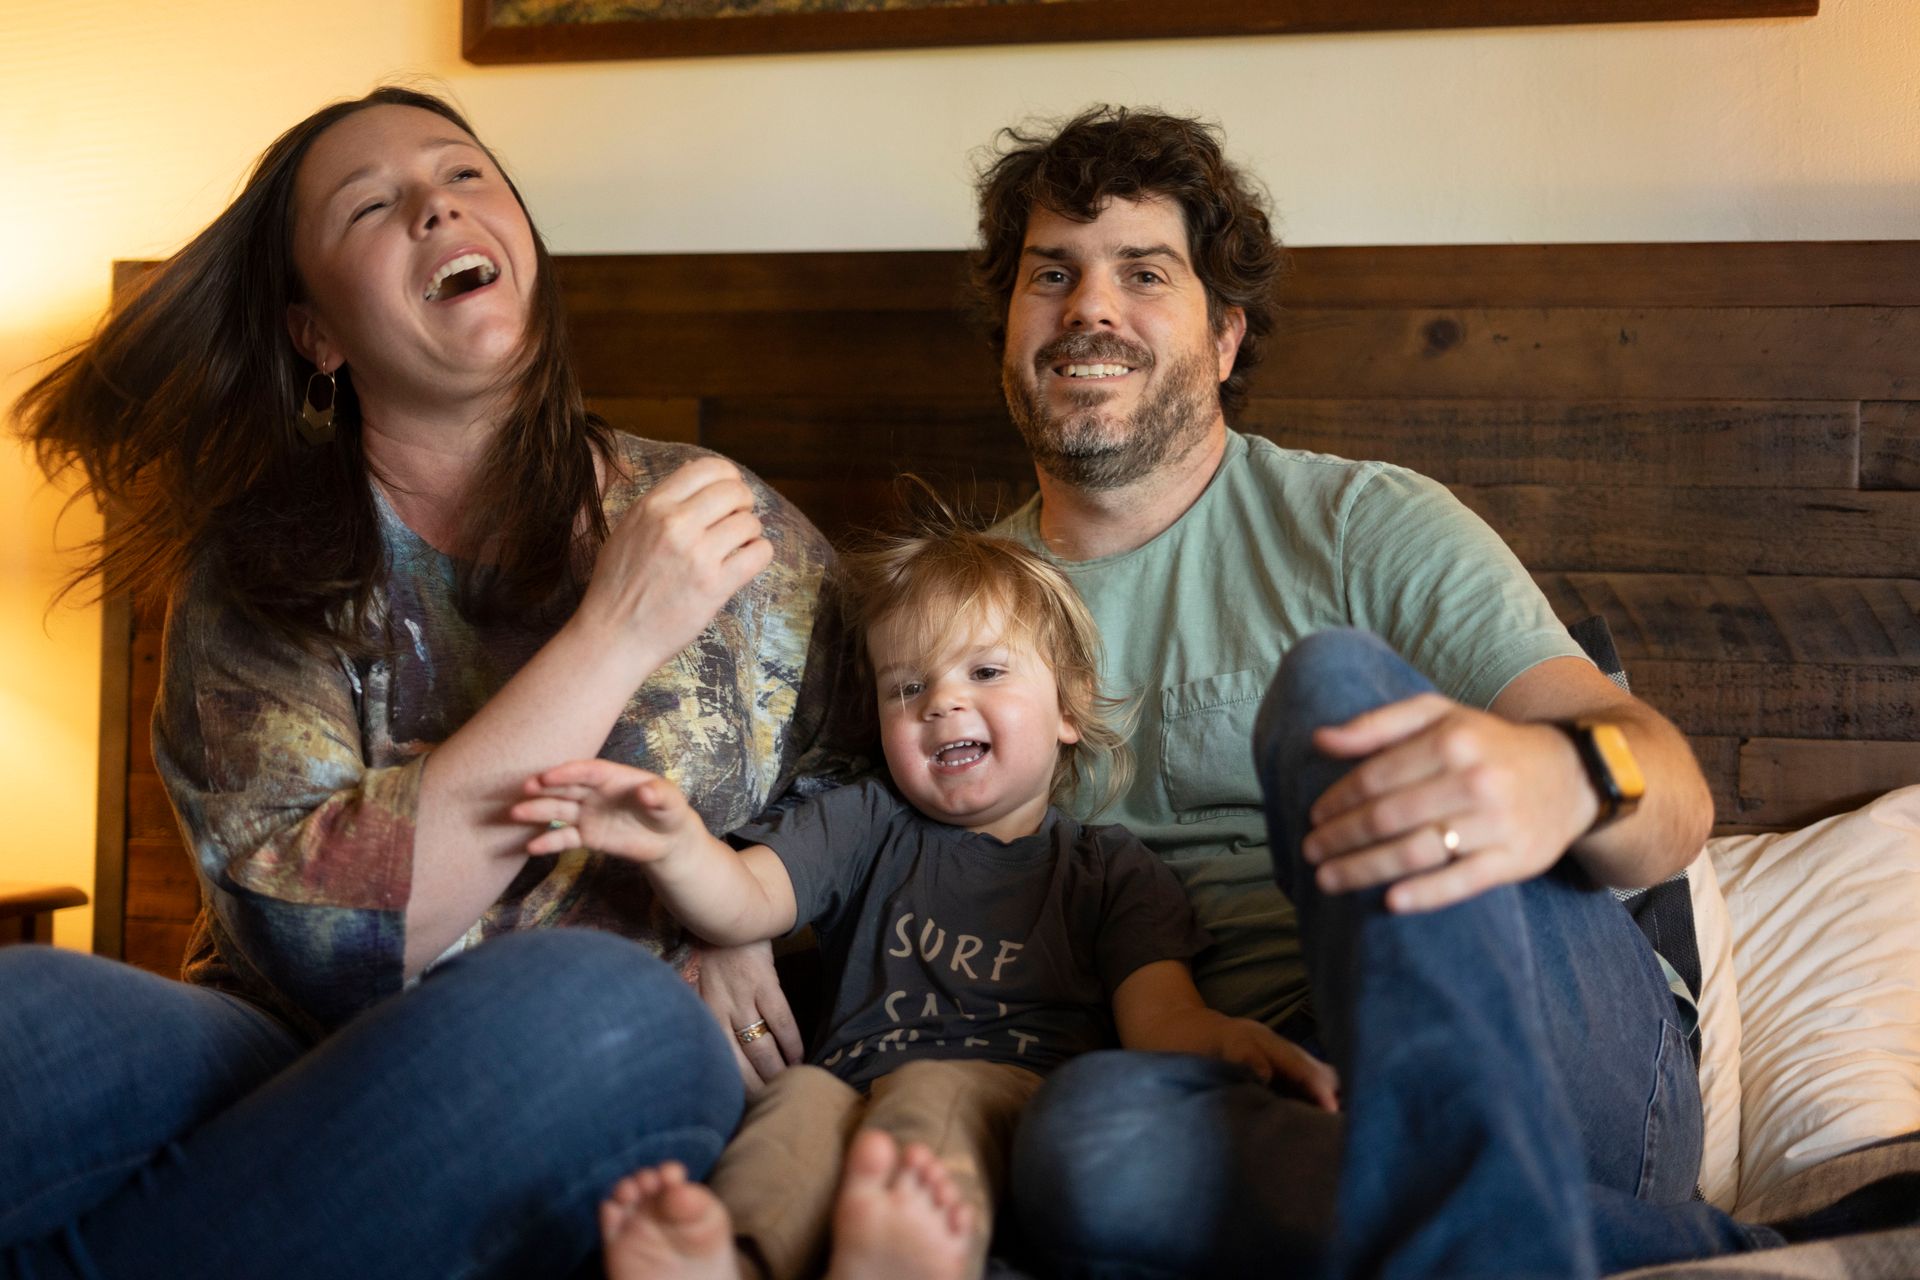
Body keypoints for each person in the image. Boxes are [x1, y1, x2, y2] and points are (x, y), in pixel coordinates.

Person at [1, 87, 854, 1279]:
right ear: (318, 336)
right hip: (286, 1045)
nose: (435, 206)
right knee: (26, 1012)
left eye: (464, 175)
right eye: (371, 206)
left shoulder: (719, 519)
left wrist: (737, 903)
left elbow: (877, 810)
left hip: (604, 1048)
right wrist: (613, 630)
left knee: (595, 1005)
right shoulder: (259, 571)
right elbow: (326, 946)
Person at [957, 106, 1789, 1278]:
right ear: (1010, 324)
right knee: (1082, 1141)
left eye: (1145, 272)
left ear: (1227, 336)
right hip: (1256, 1100)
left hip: (1545, 1056)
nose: (1090, 307)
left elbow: (1674, 805)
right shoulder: (955, 623)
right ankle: (1729, 1255)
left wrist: (1563, 772)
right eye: (1054, 273)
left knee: (1336, 684)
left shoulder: (1364, 524)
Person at [508, 525, 1341, 1280]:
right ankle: (738, 1258)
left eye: (984, 671)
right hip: (852, 1093)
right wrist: (677, 845)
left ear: (1069, 709)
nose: (940, 702)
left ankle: (906, 1261)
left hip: (1014, 1107)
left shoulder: (1107, 868)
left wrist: (1230, 1040)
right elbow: (745, 903)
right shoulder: (866, 821)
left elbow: (1159, 1019)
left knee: (940, 1089)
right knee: (796, 1101)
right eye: (906, 689)